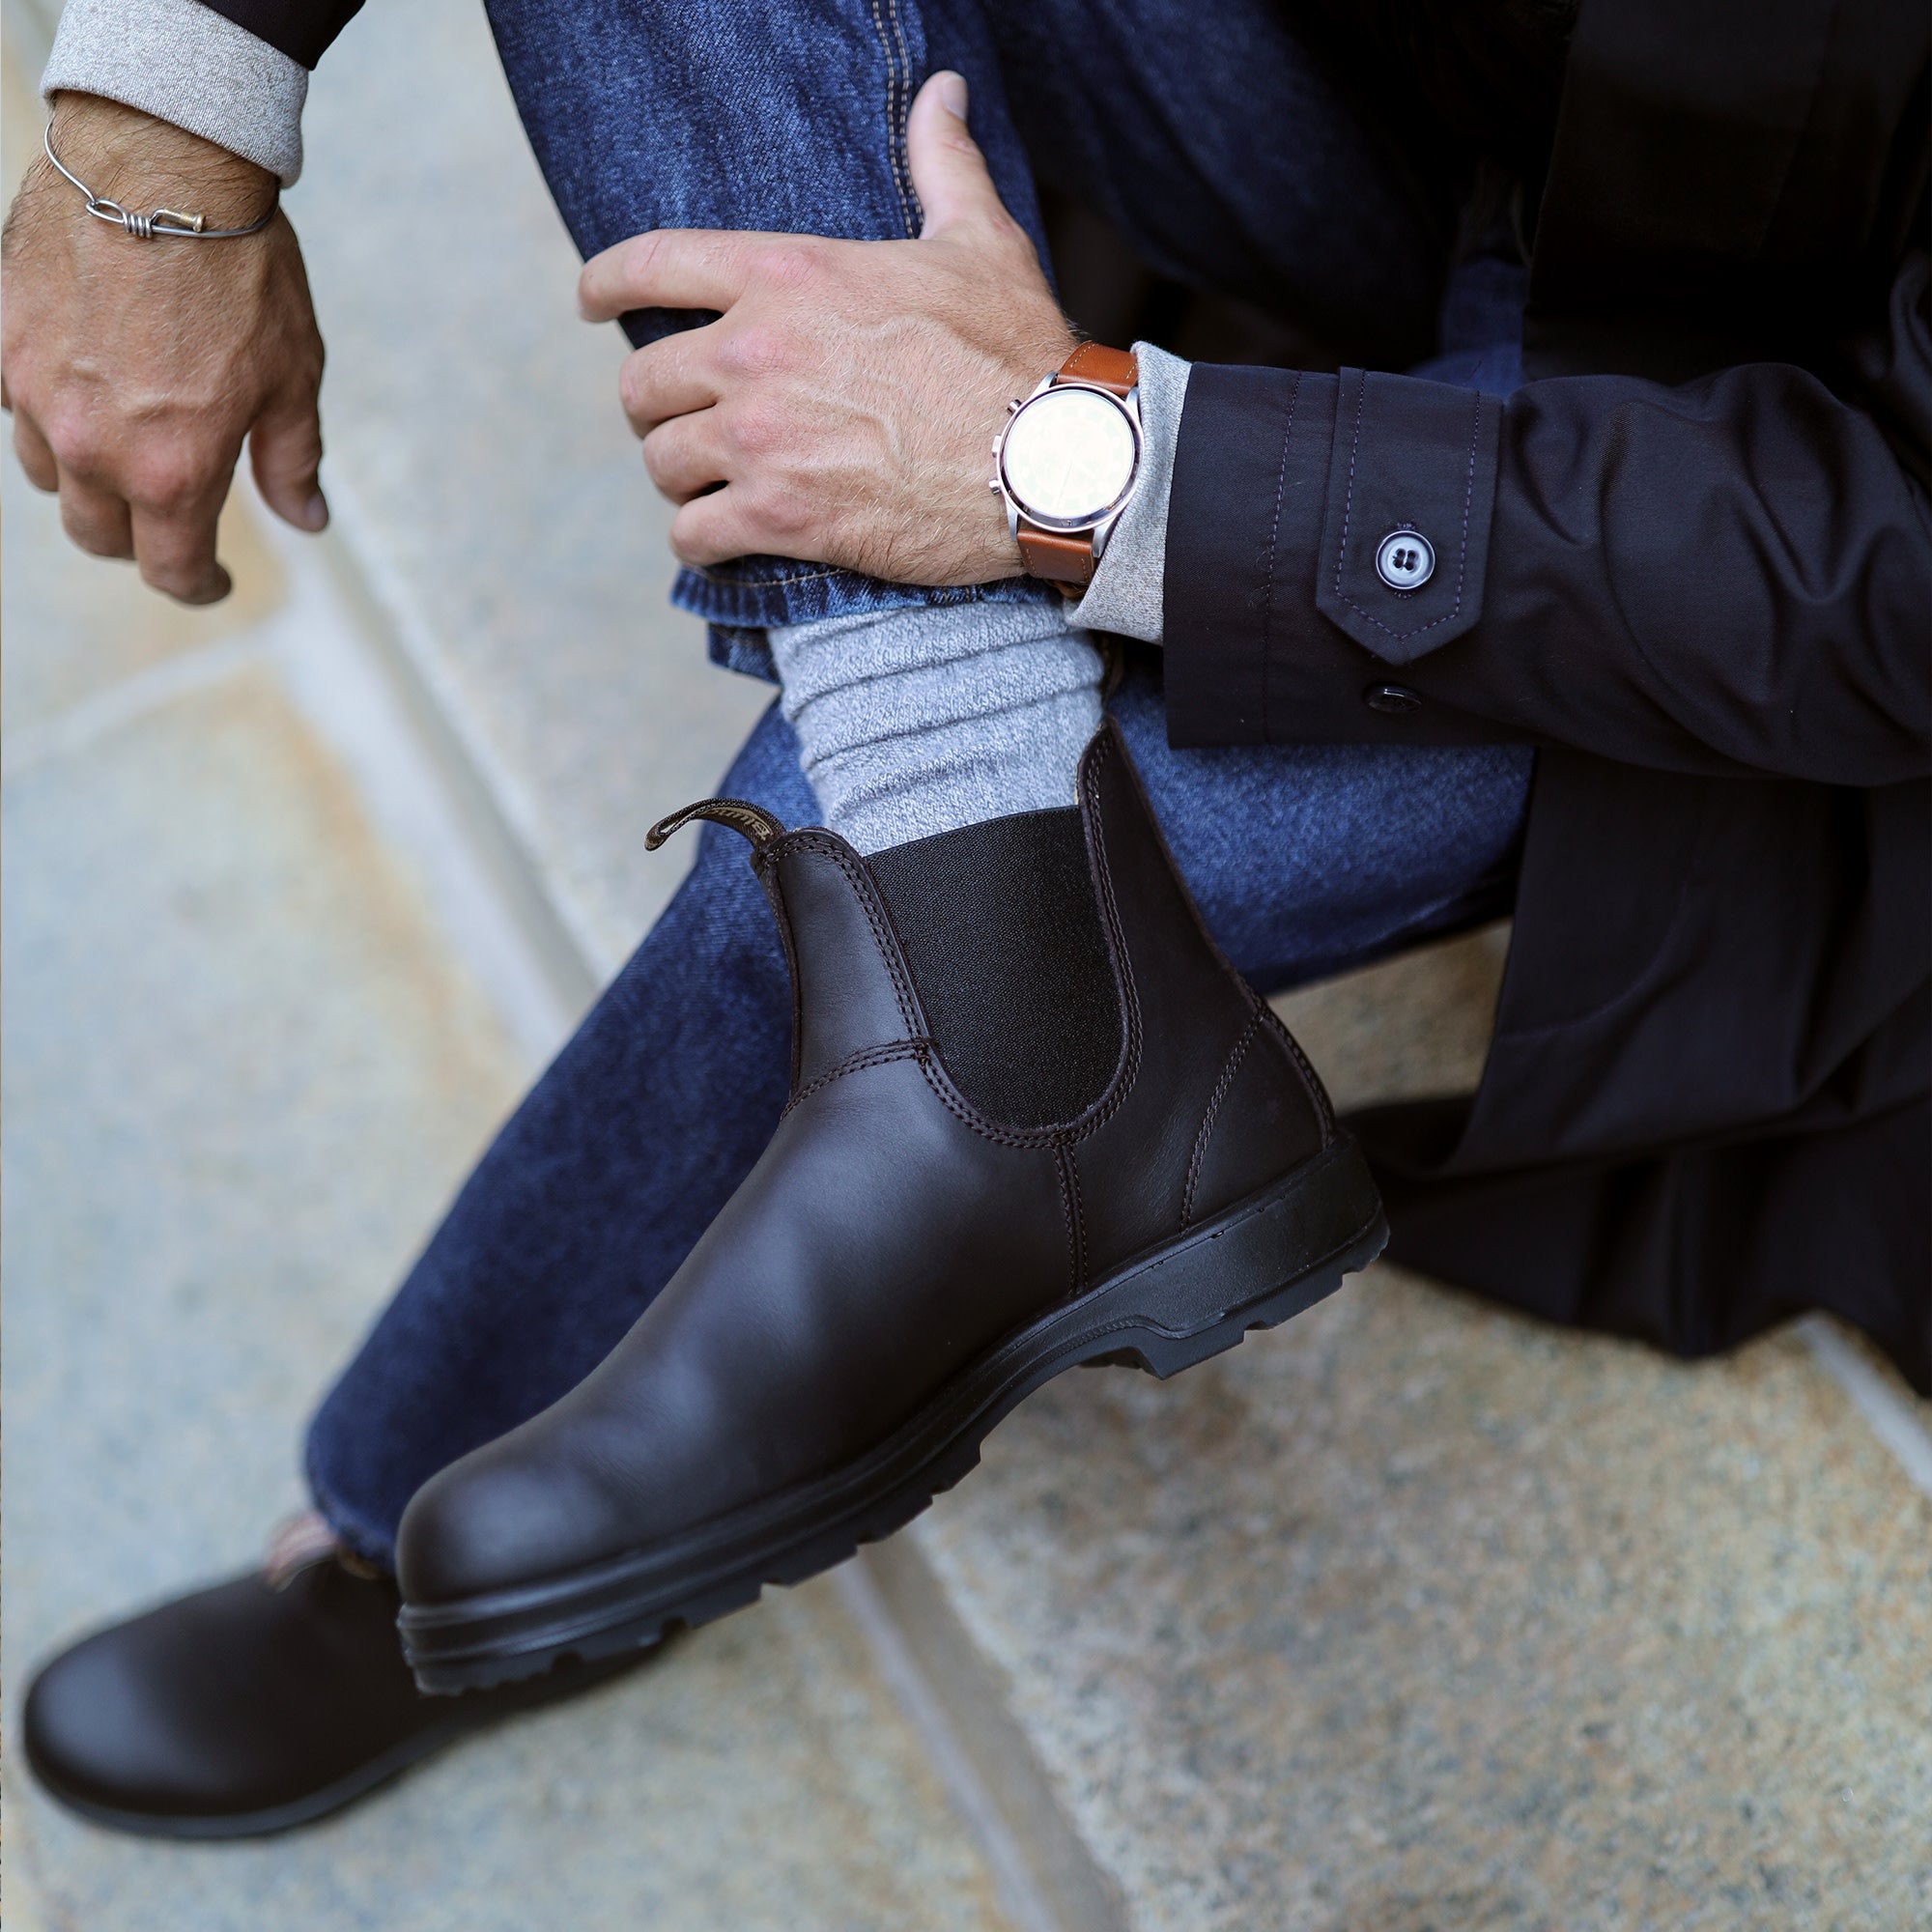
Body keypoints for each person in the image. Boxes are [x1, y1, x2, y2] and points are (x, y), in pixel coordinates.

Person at [7, 0, 1925, 1838]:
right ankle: (987, 864)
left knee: (845, 847)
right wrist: (172, 106)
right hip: (1440, 131)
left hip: (1727, 563)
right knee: (960, 829)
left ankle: (405, 1541)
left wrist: (1077, 463)